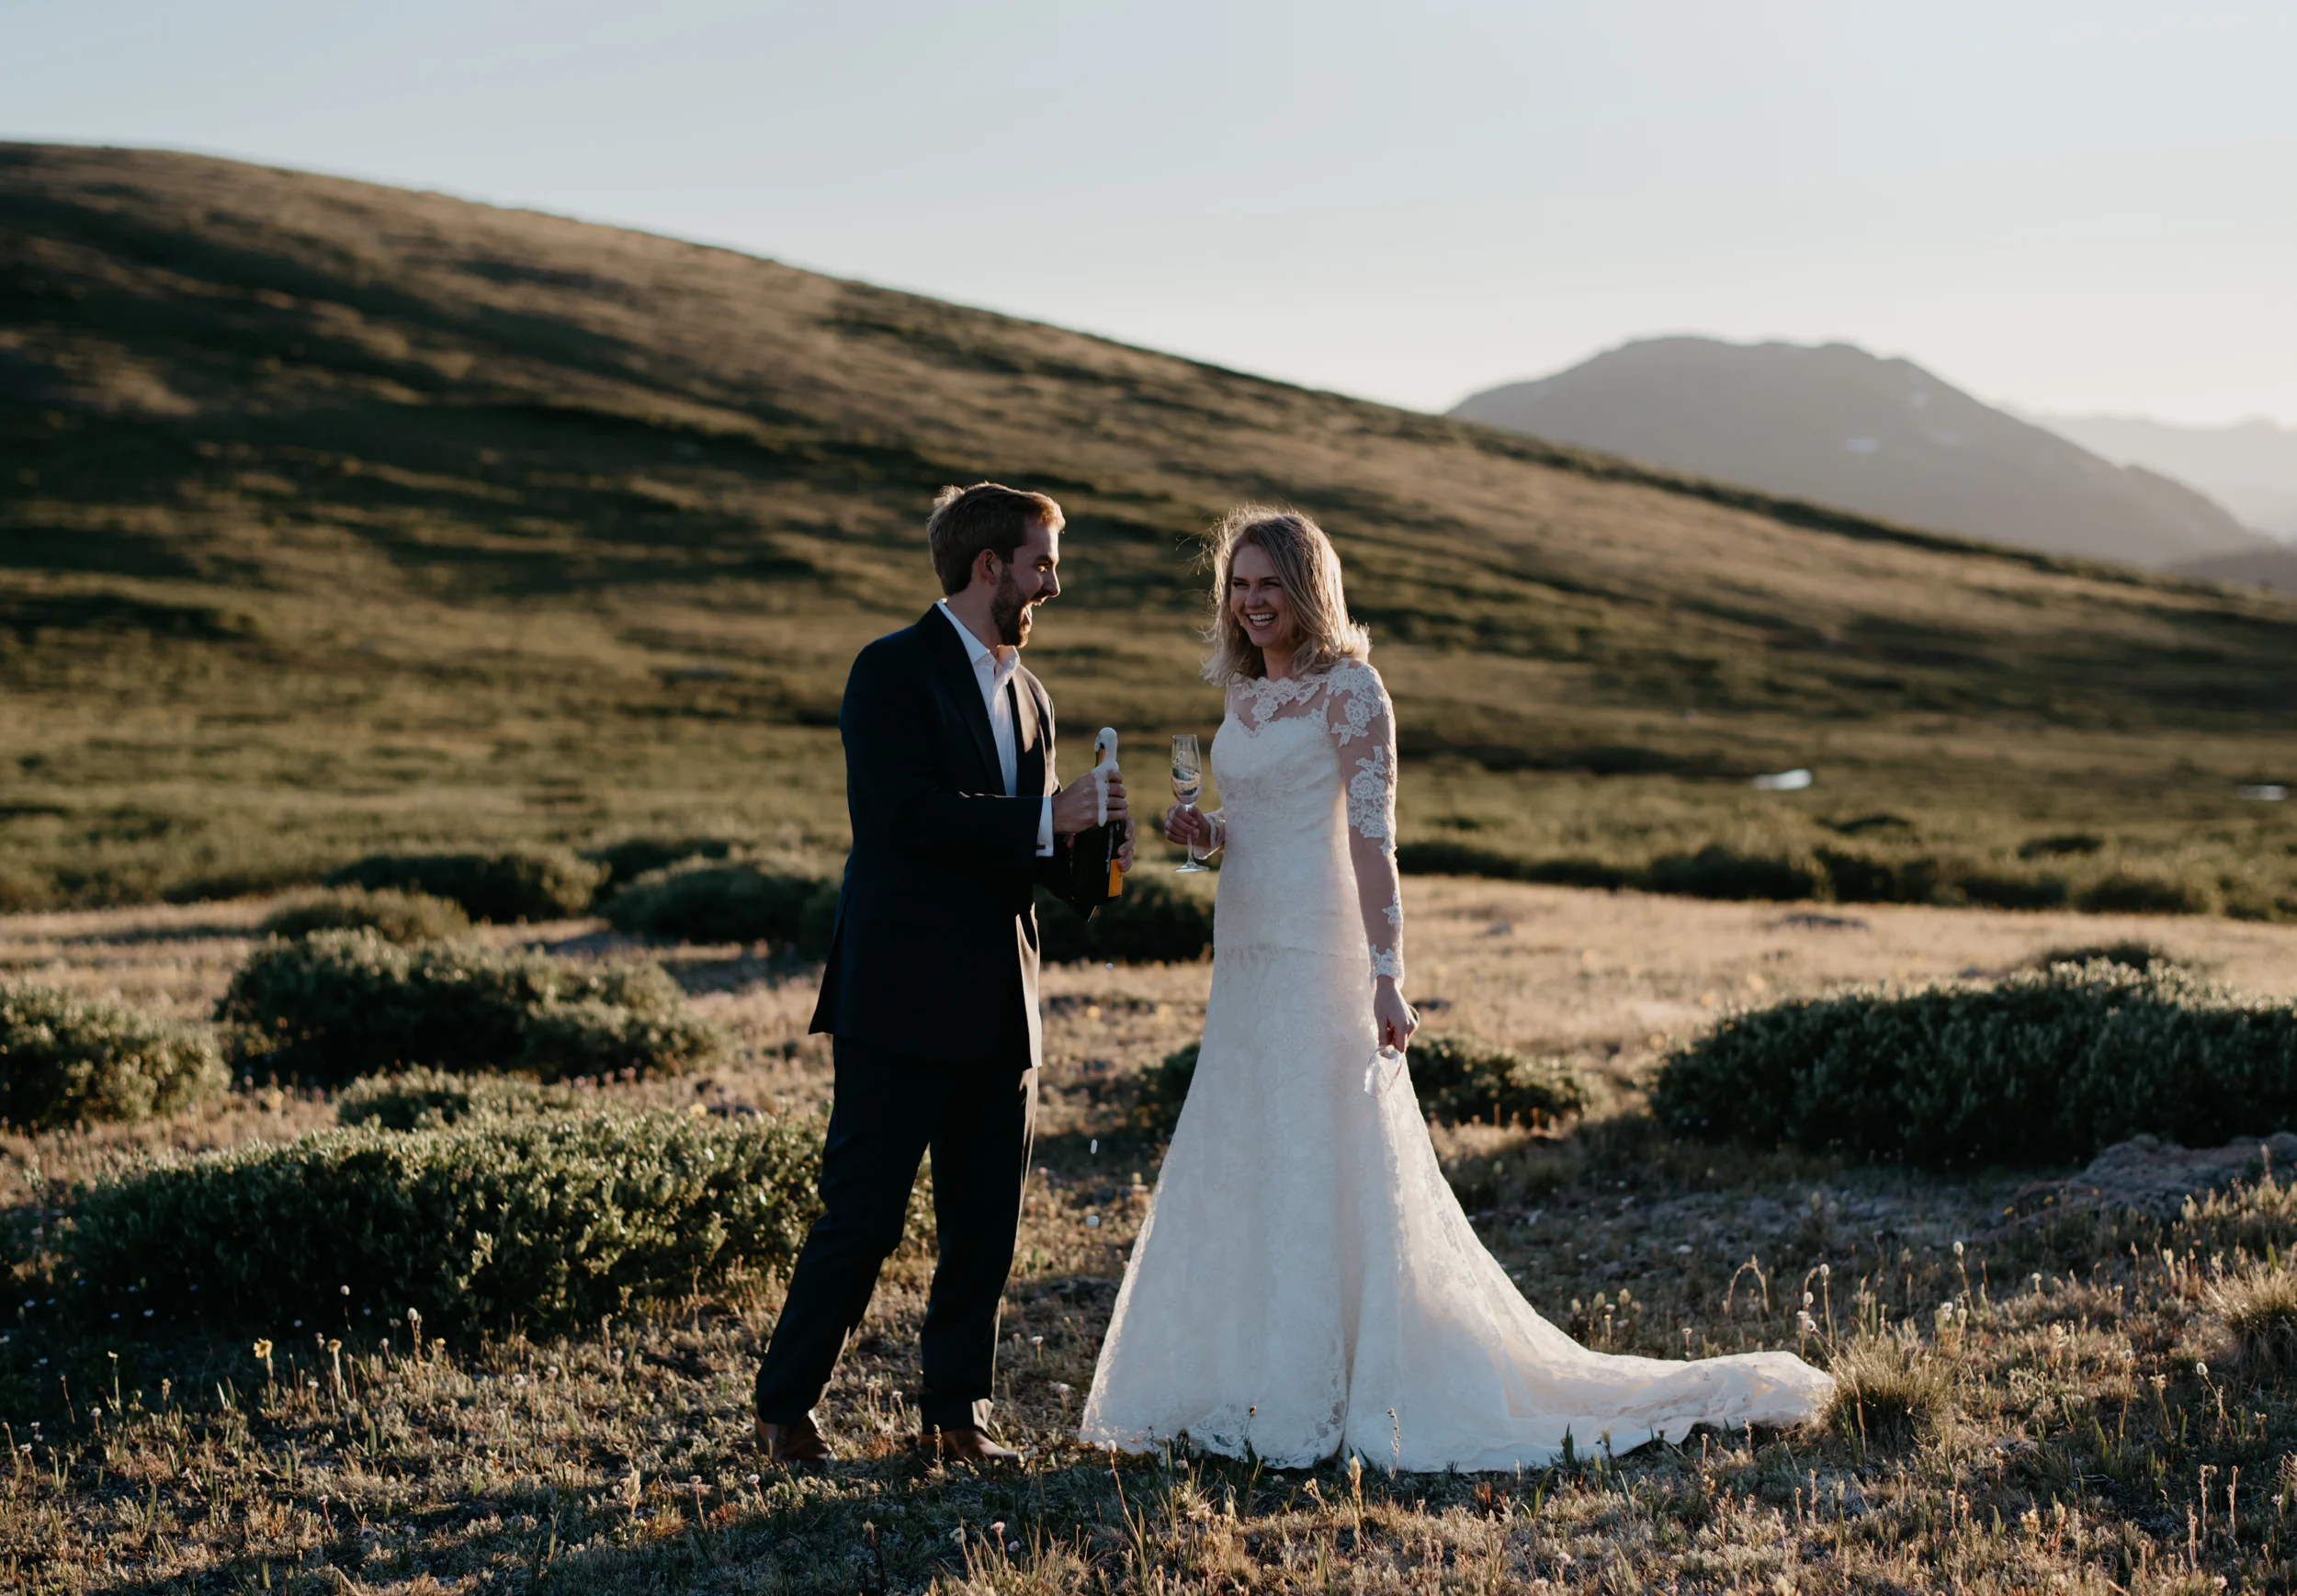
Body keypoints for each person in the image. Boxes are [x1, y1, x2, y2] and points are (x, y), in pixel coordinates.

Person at [1079, 506, 1831, 1470]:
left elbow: (1367, 841)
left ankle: (1343, 1383)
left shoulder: (1353, 693)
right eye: (1239, 584)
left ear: (1310, 589)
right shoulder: (1243, 694)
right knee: (1251, 1140)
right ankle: (1252, 1375)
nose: (1253, 602)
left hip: (1322, 954)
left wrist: (1389, 977)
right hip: (1247, 954)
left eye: (1271, 583)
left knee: (1325, 1149)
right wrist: (1210, 836)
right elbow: (1263, 821)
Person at [755, 482, 1130, 1465]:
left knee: (984, 1227)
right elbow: (904, 819)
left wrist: (1099, 839)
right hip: (899, 996)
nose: (1055, 581)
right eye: (1042, 561)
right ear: (988, 567)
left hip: (1001, 1000)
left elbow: (1033, 856)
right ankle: (783, 1409)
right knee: (863, 1218)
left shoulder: (1032, 695)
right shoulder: (889, 672)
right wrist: (1051, 816)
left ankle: (955, 1418)